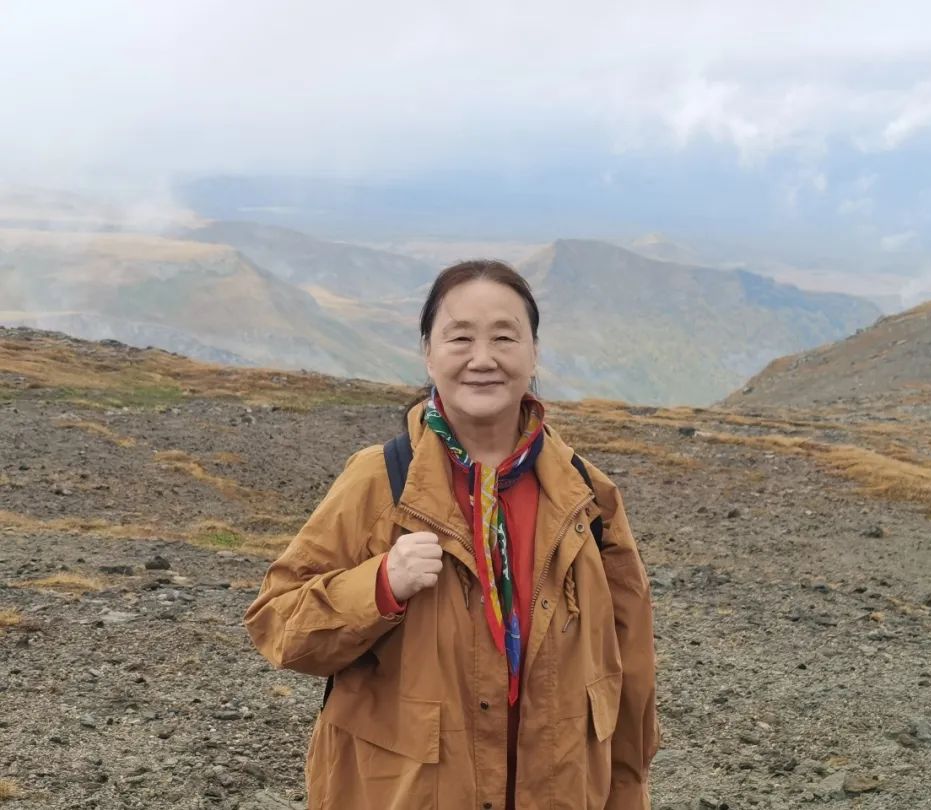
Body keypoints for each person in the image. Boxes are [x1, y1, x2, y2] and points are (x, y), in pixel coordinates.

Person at [244, 260, 659, 810]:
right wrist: (380, 585)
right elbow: (278, 624)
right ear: (429, 353)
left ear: (534, 353)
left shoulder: (588, 496)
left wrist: (628, 794)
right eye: (460, 337)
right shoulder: (379, 481)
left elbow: (631, 673)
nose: (482, 359)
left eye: (504, 337)